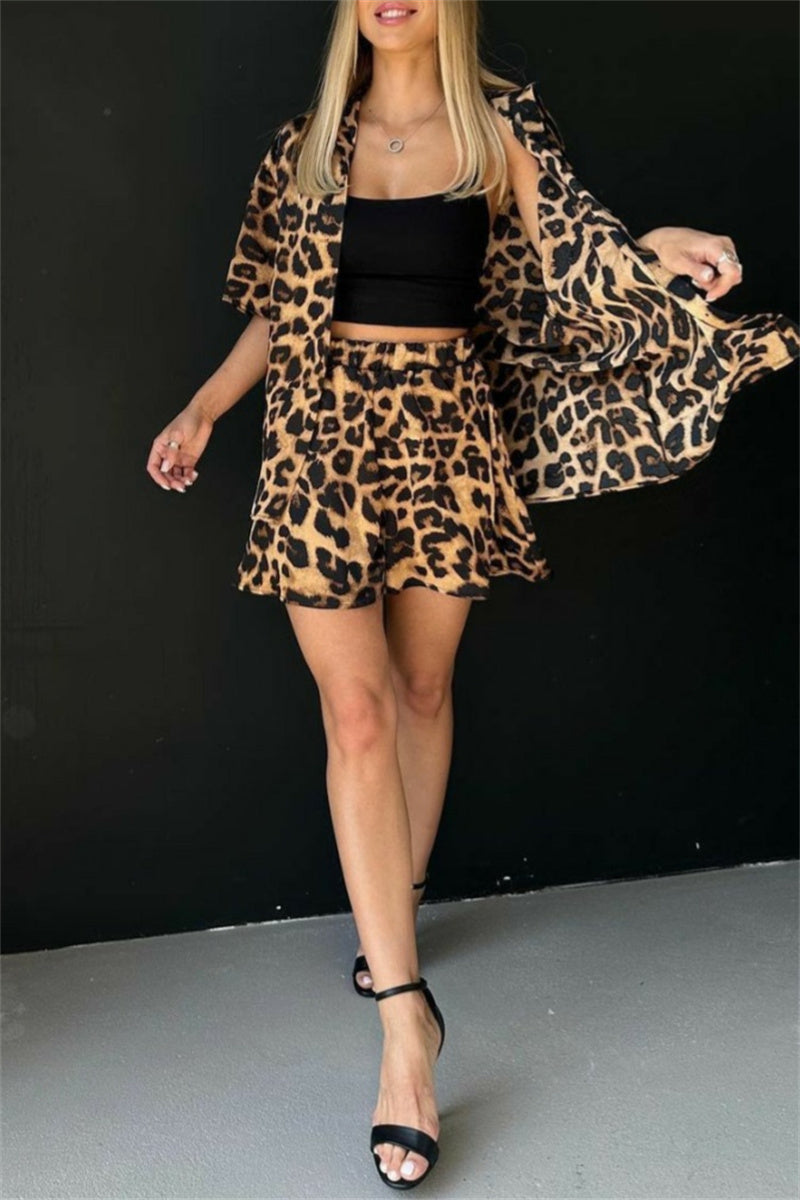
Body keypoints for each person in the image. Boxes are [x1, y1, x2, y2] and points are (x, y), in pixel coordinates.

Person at [146, 0, 798, 1189]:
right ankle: (406, 1025)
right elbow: (271, 308)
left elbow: (578, 264)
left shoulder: (498, 130)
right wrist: (201, 411)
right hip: (316, 441)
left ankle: (392, 901)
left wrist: (655, 247)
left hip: (446, 433)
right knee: (353, 714)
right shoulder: (304, 144)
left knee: (420, 689)